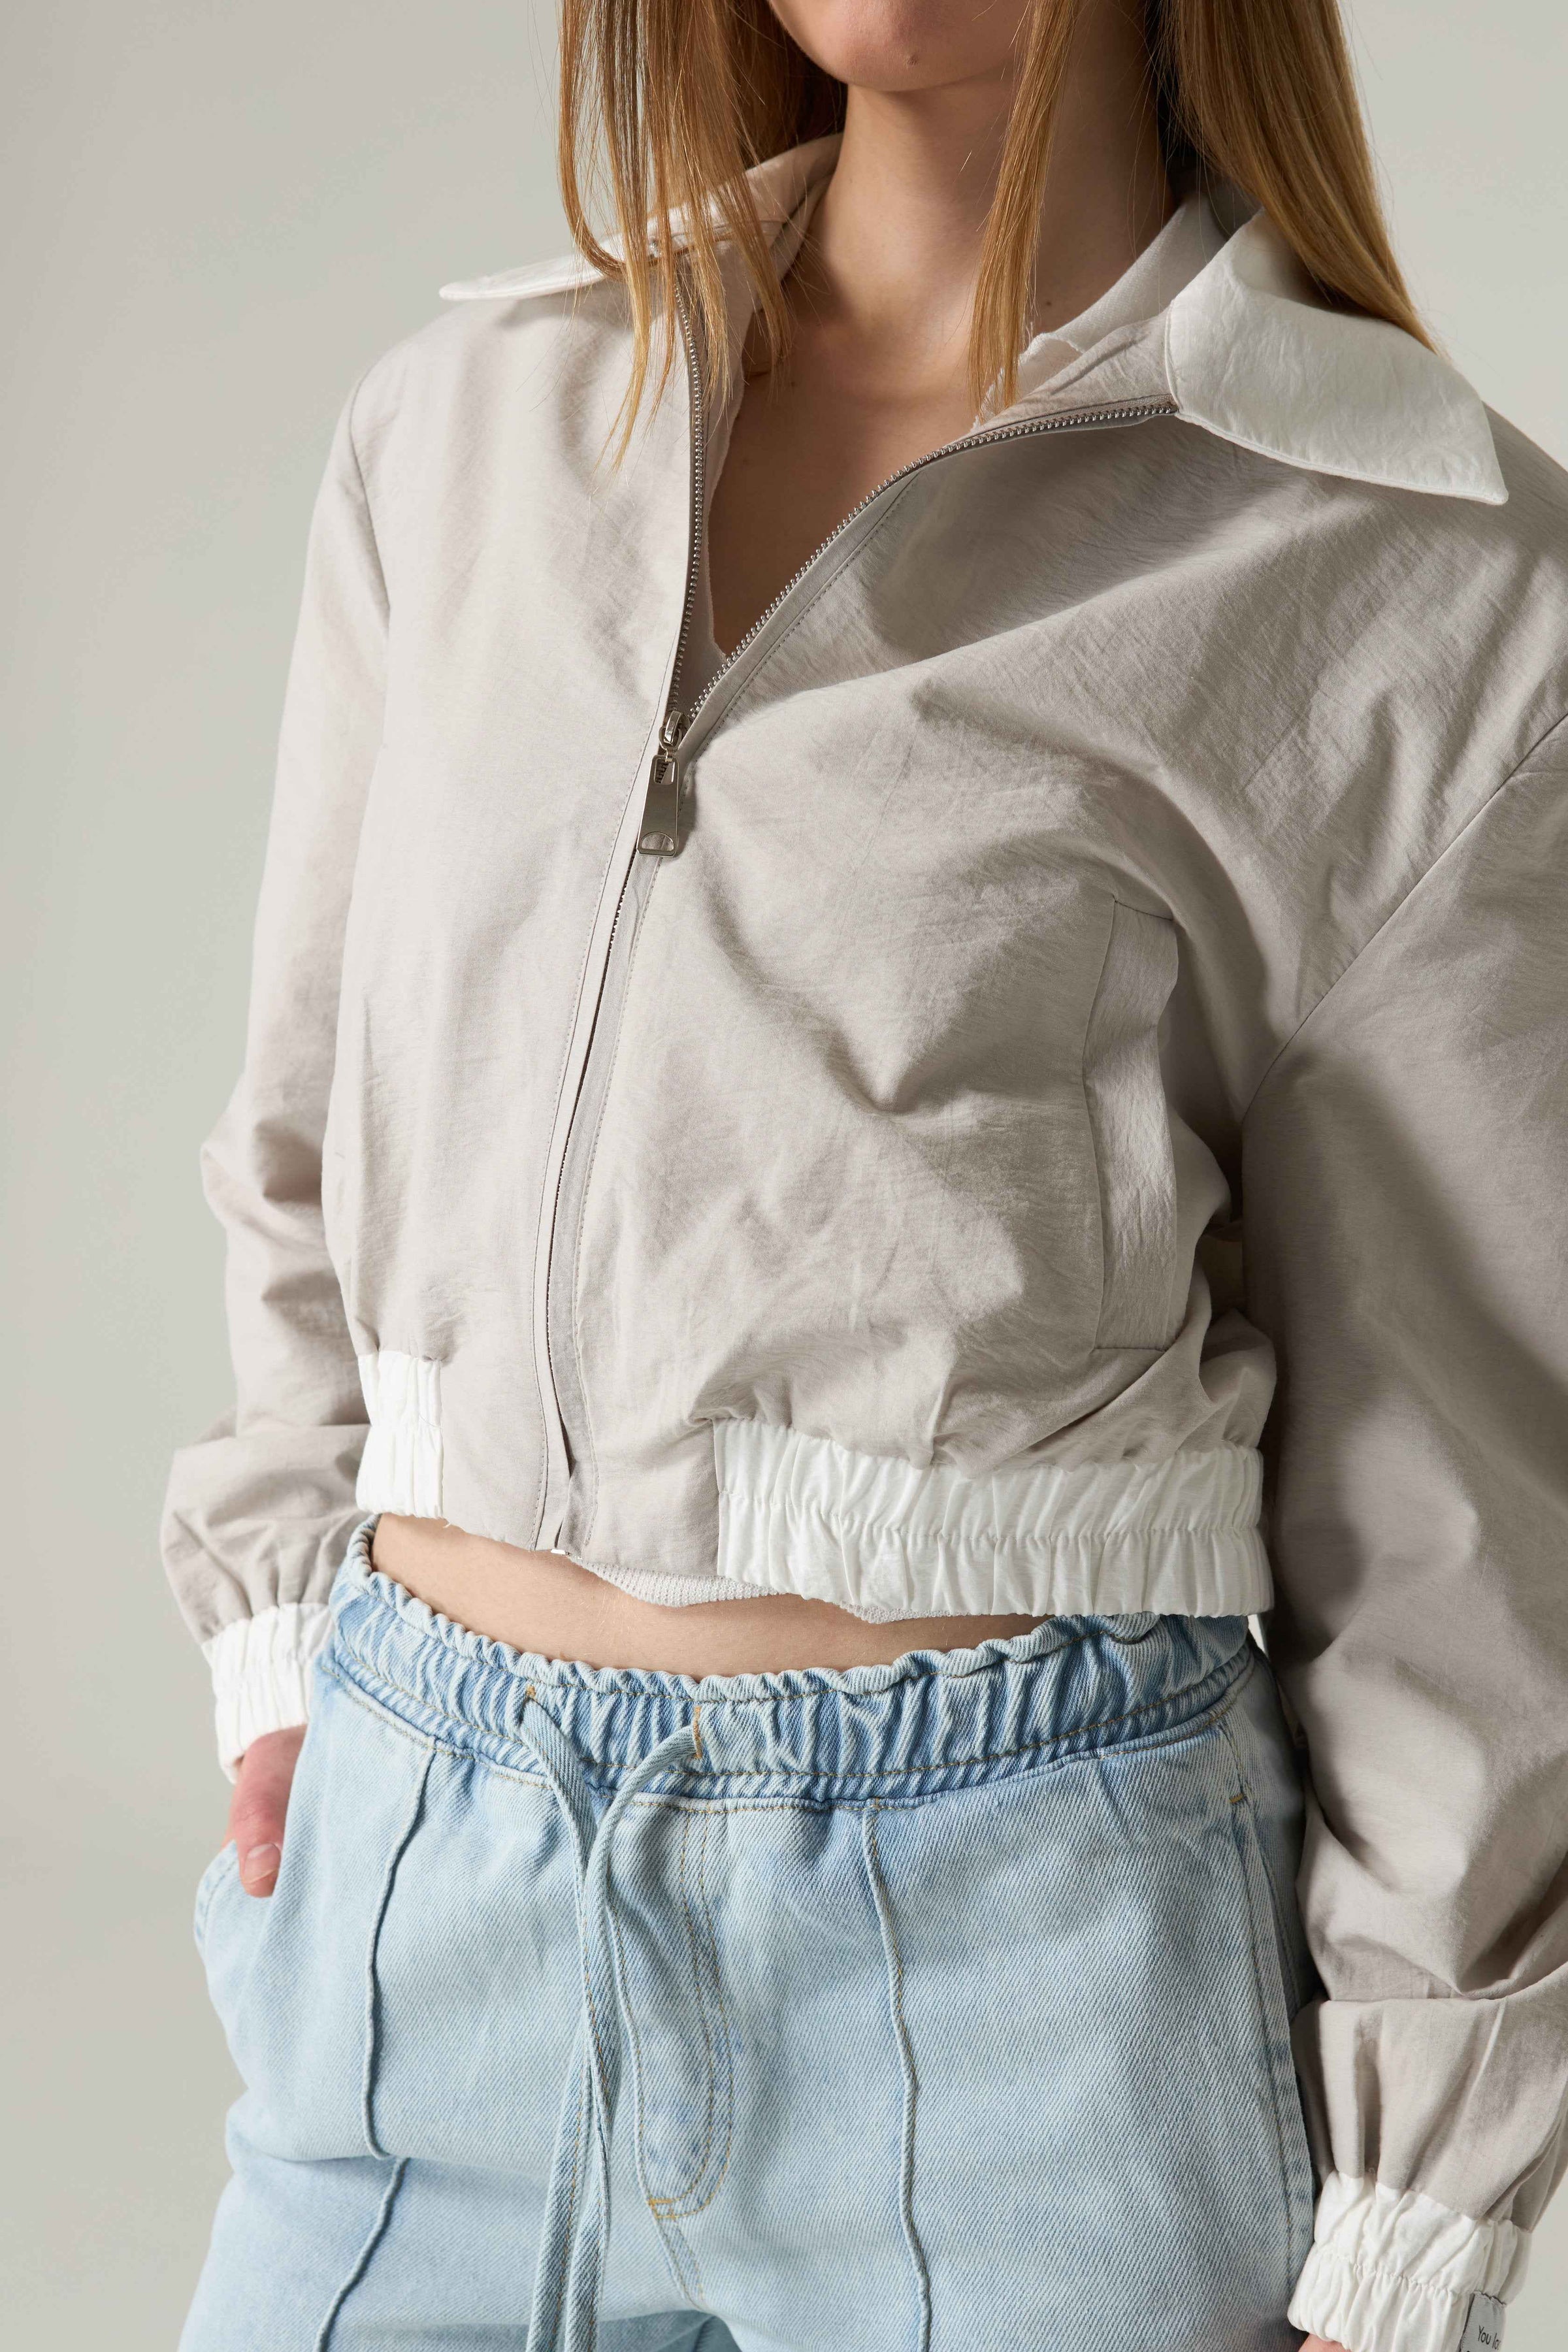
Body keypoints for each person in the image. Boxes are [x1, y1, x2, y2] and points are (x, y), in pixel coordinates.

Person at [167, 0, 1568, 2345]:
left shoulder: (1425, 579)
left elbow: (1460, 1501)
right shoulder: (473, 433)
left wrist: (1420, 2198)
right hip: (420, 1925)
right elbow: (309, 1116)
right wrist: (292, 1648)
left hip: (1021, 1987)